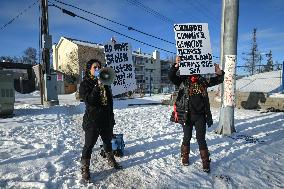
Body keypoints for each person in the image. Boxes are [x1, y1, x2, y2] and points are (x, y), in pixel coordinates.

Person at [169, 56, 225, 172]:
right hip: (186, 115)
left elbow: (218, 80)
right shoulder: (183, 80)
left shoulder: (202, 80)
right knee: (187, 137)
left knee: (201, 138)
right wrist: (176, 66)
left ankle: (205, 161)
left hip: (200, 116)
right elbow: (171, 76)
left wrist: (219, 73)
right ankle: (185, 157)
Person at [79, 59, 122, 181]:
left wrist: (111, 118)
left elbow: (109, 103)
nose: (98, 69)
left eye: (99, 67)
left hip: (106, 120)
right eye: (95, 67)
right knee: (89, 145)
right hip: (92, 121)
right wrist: (97, 86)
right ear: (89, 70)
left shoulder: (106, 83)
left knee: (107, 142)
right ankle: (85, 168)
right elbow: (90, 101)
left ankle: (111, 160)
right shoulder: (85, 84)